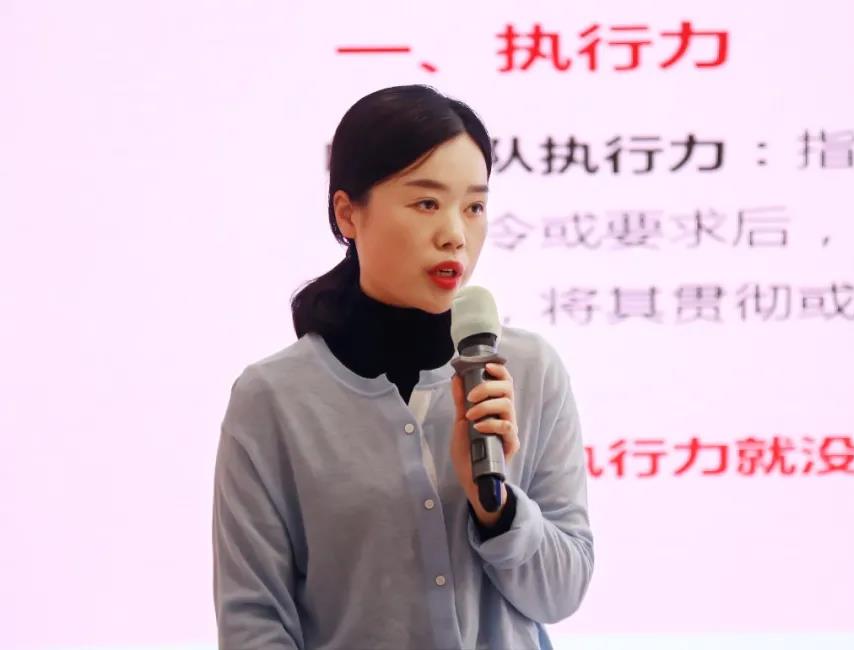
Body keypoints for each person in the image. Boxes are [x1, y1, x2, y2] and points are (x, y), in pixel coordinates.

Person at [211, 84, 594, 650]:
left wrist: (497, 508)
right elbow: (253, 621)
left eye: (474, 206)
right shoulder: (273, 399)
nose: (455, 234)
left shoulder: (530, 372)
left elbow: (561, 594)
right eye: (426, 204)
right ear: (348, 213)